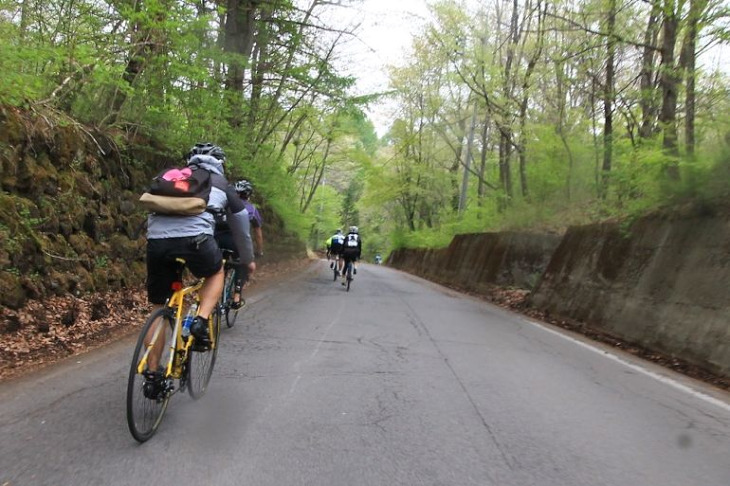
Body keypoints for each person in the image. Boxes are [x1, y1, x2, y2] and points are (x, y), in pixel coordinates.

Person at [145, 142, 255, 383]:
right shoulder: (221, 185)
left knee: (159, 307)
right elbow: (242, 229)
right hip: (196, 241)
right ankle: (201, 321)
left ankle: (152, 375)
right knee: (216, 272)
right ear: (220, 163)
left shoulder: (172, 176)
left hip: (156, 243)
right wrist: (247, 260)